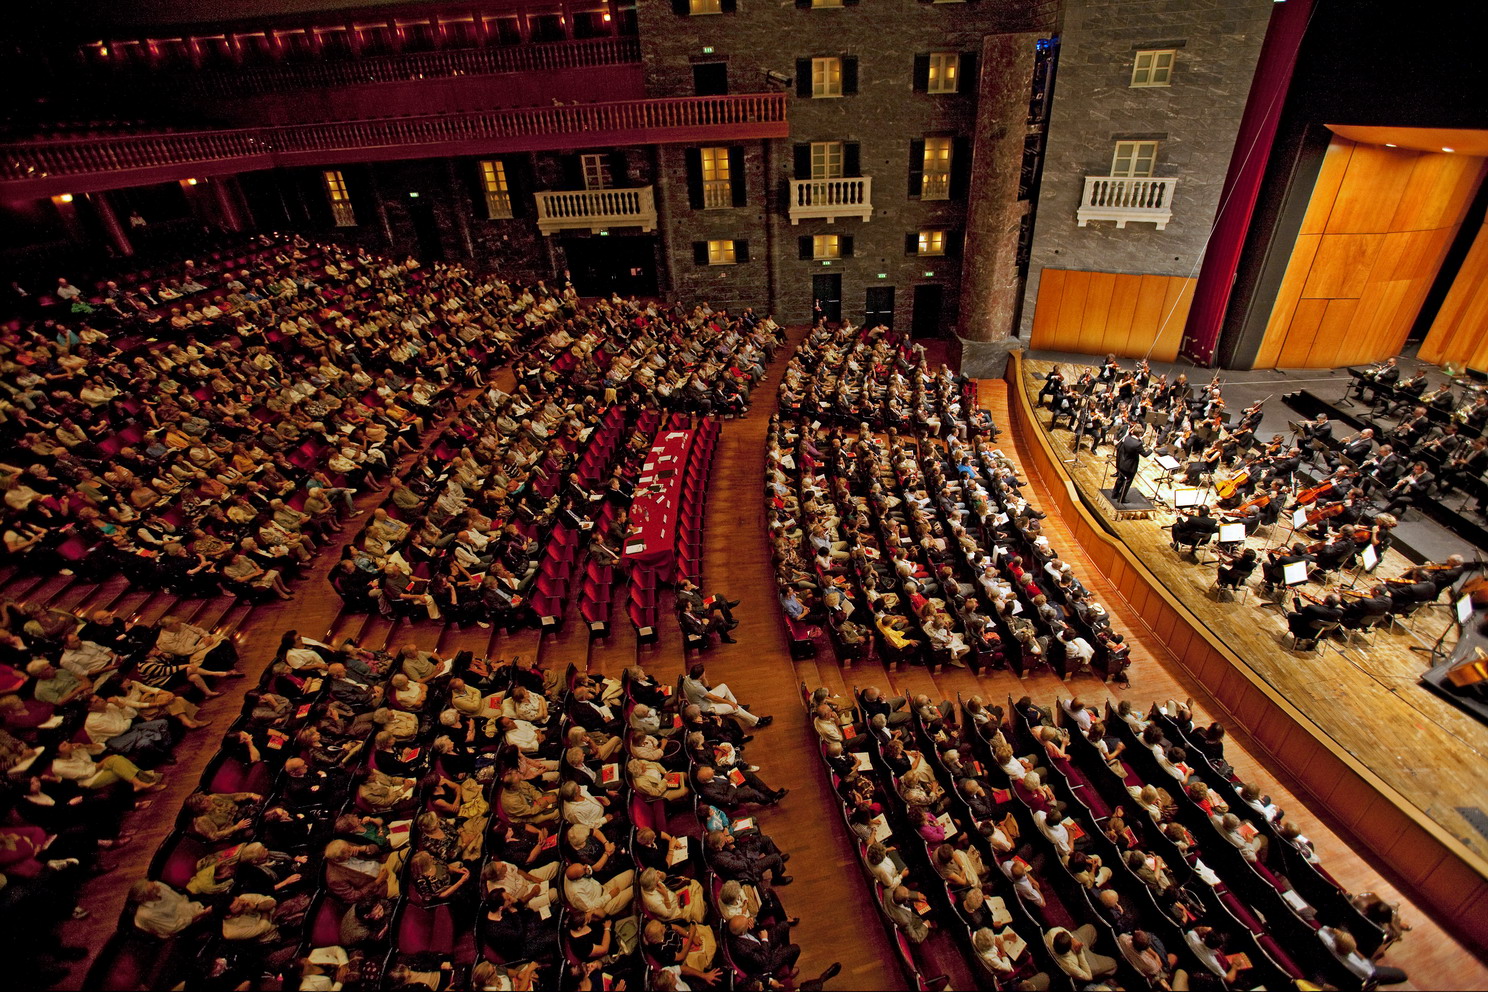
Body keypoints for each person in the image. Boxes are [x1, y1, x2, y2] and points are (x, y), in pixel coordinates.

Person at [1112, 427, 1150, 505]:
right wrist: (1152, 447)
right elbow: (1145, 454)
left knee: (1120, 479)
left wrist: (1142, 437)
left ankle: (1114, 494)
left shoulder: (1127, 438)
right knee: (1127, 483)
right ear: (1139, 434)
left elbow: (1134, 443)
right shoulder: (1138, 444)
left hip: (1122, 463)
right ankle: (1121, 499)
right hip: (1130, 467)